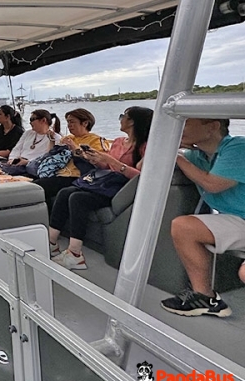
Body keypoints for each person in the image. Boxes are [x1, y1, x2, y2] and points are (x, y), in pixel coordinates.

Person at [49, 107, 153, 270]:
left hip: (120, 189)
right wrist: (96, 159)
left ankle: (75, 254)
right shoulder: (118, 141)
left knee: (78, 198)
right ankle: (51, 242)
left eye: (123, 116)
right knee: (65, 192)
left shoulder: (145, 147)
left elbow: (141, 177)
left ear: (132, 122)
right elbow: (106, 167)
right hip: (105, 183)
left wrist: (112, 161)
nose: (120, 119)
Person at [160, 118, 245, 317]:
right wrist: (169, 147)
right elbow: (143, 166)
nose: (180, 128)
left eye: (187, 123)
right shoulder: (197, 156)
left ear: (213, 126)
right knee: (183, 227)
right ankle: (204, 297)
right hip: (239, 220)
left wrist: (177, 157)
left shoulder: (238, 148)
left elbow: (213, 184)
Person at [33, 108, 108, 206]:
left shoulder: (96, 141)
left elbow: (99, 163)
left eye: (72, 122)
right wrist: (51, 140)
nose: (69, 125)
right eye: (68, 122)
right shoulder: (68, 138)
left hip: (76, 176)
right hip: (60, 173)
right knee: (32, 184)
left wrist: (74, 147)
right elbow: (51, 155)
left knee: (37, 187)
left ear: (85, 123)